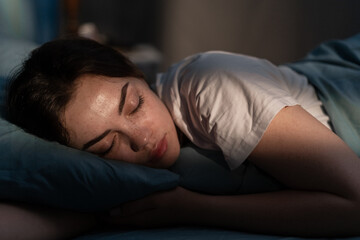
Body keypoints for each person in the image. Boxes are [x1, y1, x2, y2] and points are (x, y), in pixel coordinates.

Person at [5, 37, 360, 238]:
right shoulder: (116, 177)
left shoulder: (212, 86)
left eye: (134, 105)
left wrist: (194, 208)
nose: (142, 139)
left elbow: (356, 205)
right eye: (108, 145)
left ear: (135, 72)